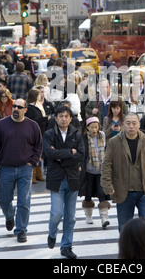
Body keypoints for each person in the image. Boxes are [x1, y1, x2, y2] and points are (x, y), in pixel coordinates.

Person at [0, 99, 43, 243]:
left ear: (25, 110)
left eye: (19, 107)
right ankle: (10, 216)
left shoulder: (33, 126)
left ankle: (21, 230)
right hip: (6, 168)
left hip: (25, 169)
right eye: (14, 106)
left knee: (24, 201)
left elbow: (39, 146)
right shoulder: (1, 125)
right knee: (4, 200)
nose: (15, 109)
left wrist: (33, 162)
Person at [101, 112, 145, 232]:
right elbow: (106, 165)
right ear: (123, 125)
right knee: (125, 227)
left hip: (144, 190)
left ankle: (144, 250)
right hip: (124, 191)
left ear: (139, 124)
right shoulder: (114, 142)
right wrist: (107, 185)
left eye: (134, 123)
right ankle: (127, 250)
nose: (131, 126)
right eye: (128, 123)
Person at [43, 105, 85, 259]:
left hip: (72, 177)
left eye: (66, 116)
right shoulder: (49, 134)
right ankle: (52, 234)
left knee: (71, 216)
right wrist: (69, 153)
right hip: (56, 178)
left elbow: (81, 155)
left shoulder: (76, 134)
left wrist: (61, 156)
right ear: (55, 118)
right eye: (60, 116)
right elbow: (49, 153)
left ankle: (66, 246)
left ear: (71, 118)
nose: (63, 119)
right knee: (56, 213)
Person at [79, 117, 110, 228]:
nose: (94, 129)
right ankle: (88, 216)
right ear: (87, 127)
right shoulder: (83, 138)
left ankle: (104, 218)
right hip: (88, 171)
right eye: (92, 127)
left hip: (101, 170)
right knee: (88, 194)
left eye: (96, 127)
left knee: (102, 194)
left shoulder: (102, 135)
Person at [25, 88, 48, 184]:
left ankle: (38, 174)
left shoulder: (38, 105)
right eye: (39, 94)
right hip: (34, 132)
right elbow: (34, 119)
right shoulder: (30, 107)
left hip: (41, 131)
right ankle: (33, 175)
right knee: (35, 152)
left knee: (40, 152)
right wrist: (45, 118)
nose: (40, 96)